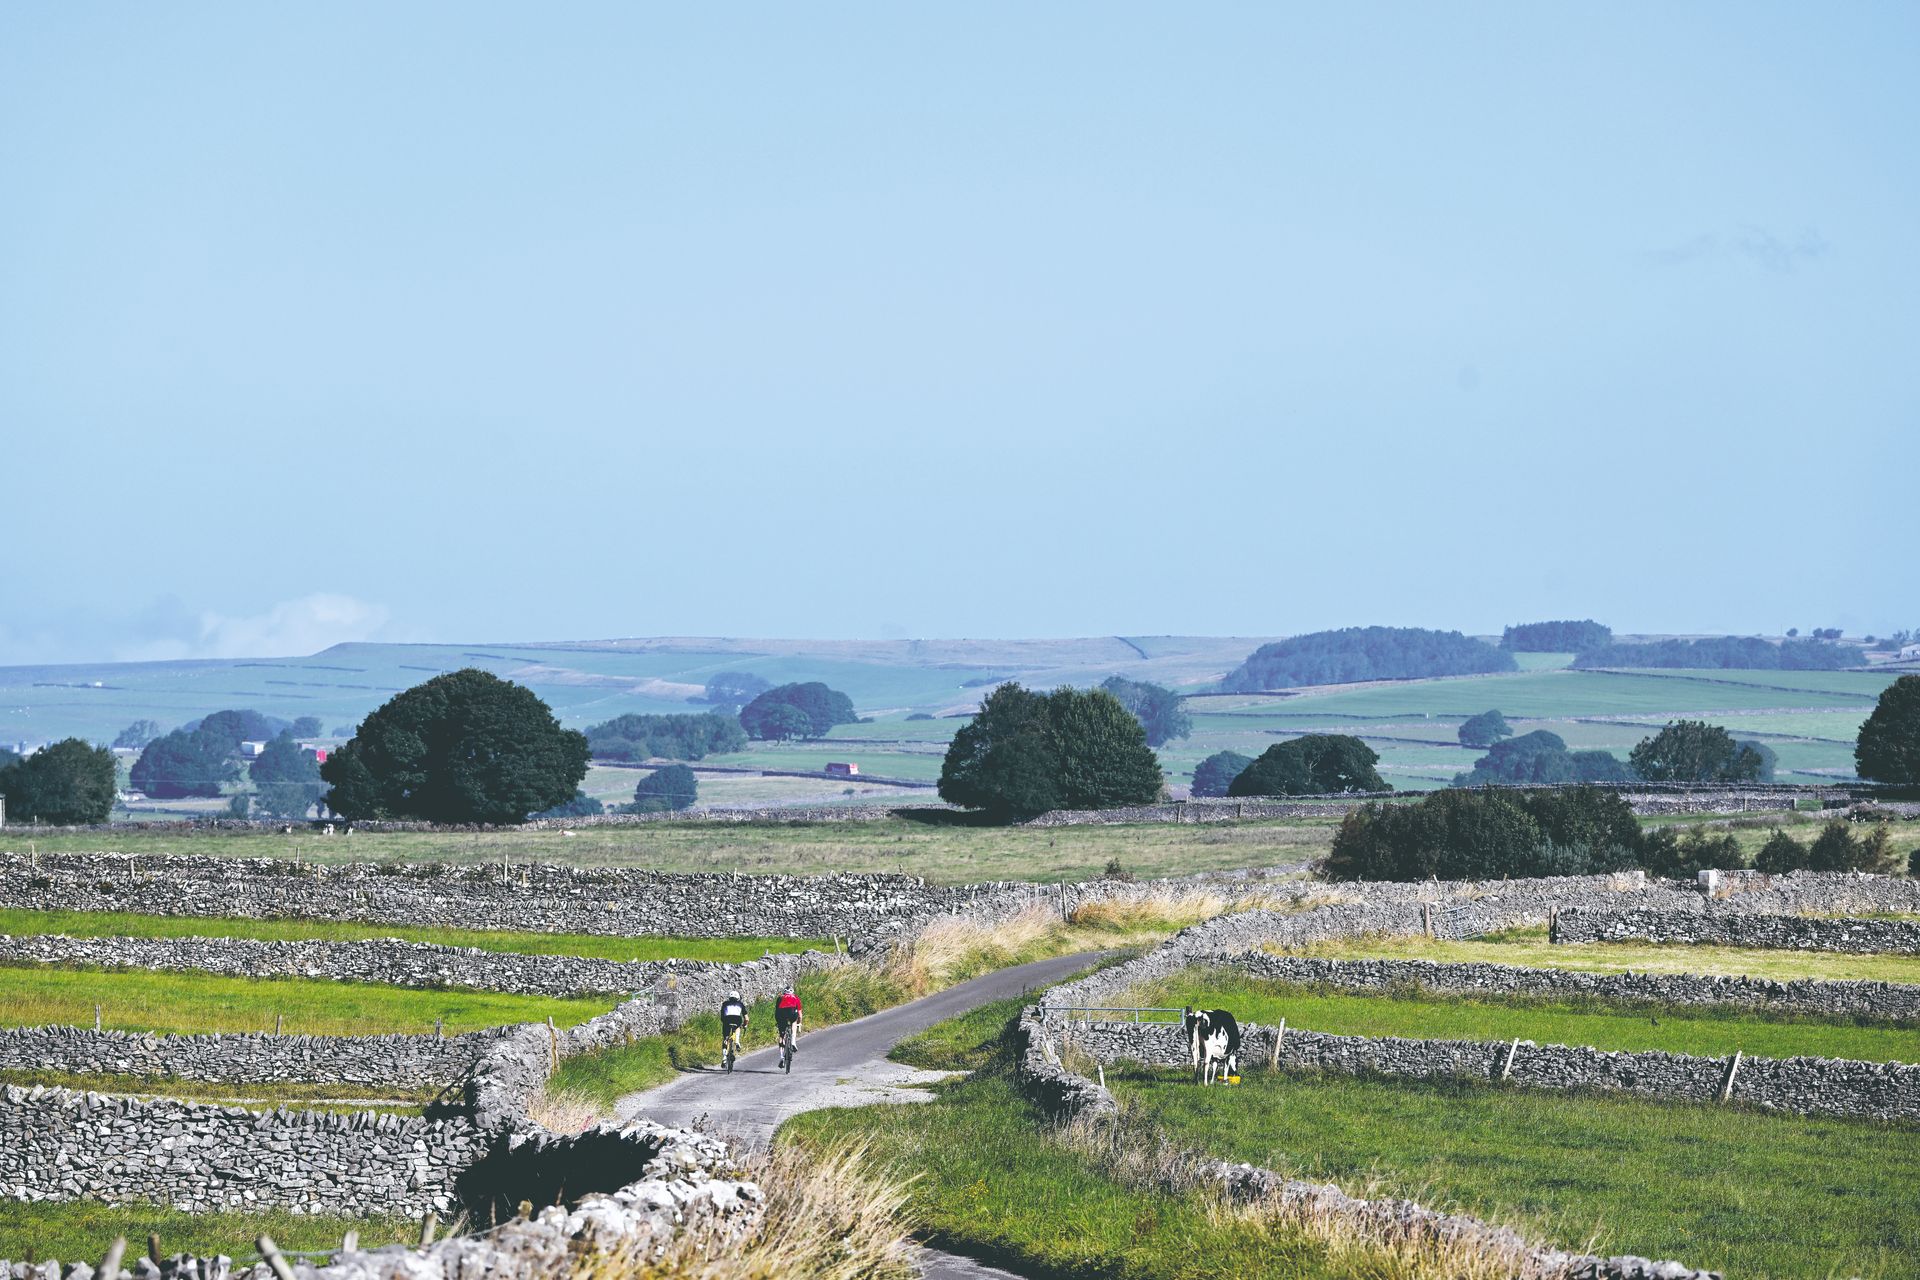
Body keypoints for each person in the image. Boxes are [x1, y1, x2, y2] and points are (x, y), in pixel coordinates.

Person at [719, 989, 748, 1065]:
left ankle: (724, 1057)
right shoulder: (740, 1004)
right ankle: (737, 1042)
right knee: (738, 1027)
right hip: (737, 1019)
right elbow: (746, 1018)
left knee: (725, 1038)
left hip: (727, 1019)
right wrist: (745, 1025)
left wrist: (724, 1022)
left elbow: (722, 1015)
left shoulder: (725, 1004)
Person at [774, 984, 803, 1056]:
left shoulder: (780, 997)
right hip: (792, 1012)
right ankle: (793, 1041)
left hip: (781, 1013)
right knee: (794, 1022)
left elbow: (777, 1011)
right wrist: (799, 1023)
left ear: (784, 993)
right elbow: (800, 1014)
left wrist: (778, 1022)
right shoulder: (795, 997)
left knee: (782, 1035)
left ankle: (781, 1057)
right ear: (792, 992)